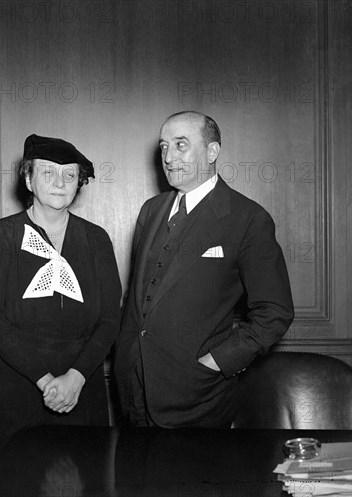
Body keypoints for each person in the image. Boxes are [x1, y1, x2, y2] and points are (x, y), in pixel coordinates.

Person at [114, 111, 294, 428]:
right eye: (164, 146)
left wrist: (218, 362)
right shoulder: (151, 210)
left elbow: (275, 310)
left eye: (181, 145)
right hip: (133, 391)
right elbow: (139, 296)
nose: (169, 157)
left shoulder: (247, 218)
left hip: (197, 398)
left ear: (212, 152)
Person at [0, 134, 121, 474]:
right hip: (13, 388)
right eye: (48, 173)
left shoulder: (96, 240)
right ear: (27, 178)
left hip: (81, 389)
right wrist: (44, 380)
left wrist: (76, 377)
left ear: (79, 183)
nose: (59, 182)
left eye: (69, 175)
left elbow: (110, 319)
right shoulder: (2, 236)